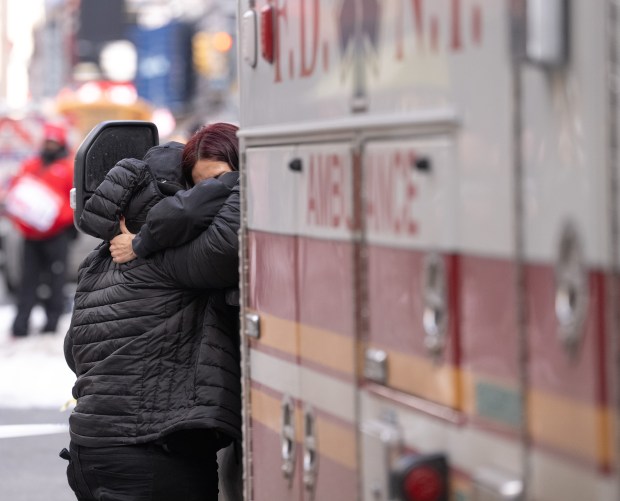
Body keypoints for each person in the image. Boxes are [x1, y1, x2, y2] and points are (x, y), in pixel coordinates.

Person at [62, 124, 241, 501]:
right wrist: (248, 176)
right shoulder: (170, 260)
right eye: (200, 187)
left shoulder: (101, 259)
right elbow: (227, 248)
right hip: (150, 456)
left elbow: (72, 349)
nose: (207, 195)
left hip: (90, 453)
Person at [5, 122, 75, 337]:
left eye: (54, 142)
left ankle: (51, 323)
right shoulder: (30, 166)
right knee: (28, 280)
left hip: (57, 235)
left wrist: (65, 221)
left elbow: (74, 201)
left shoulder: (68, 168)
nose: (50, 146)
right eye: (48, 141)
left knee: (56, 279)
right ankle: (21, 323)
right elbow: (16, 192)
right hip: (31, 236)